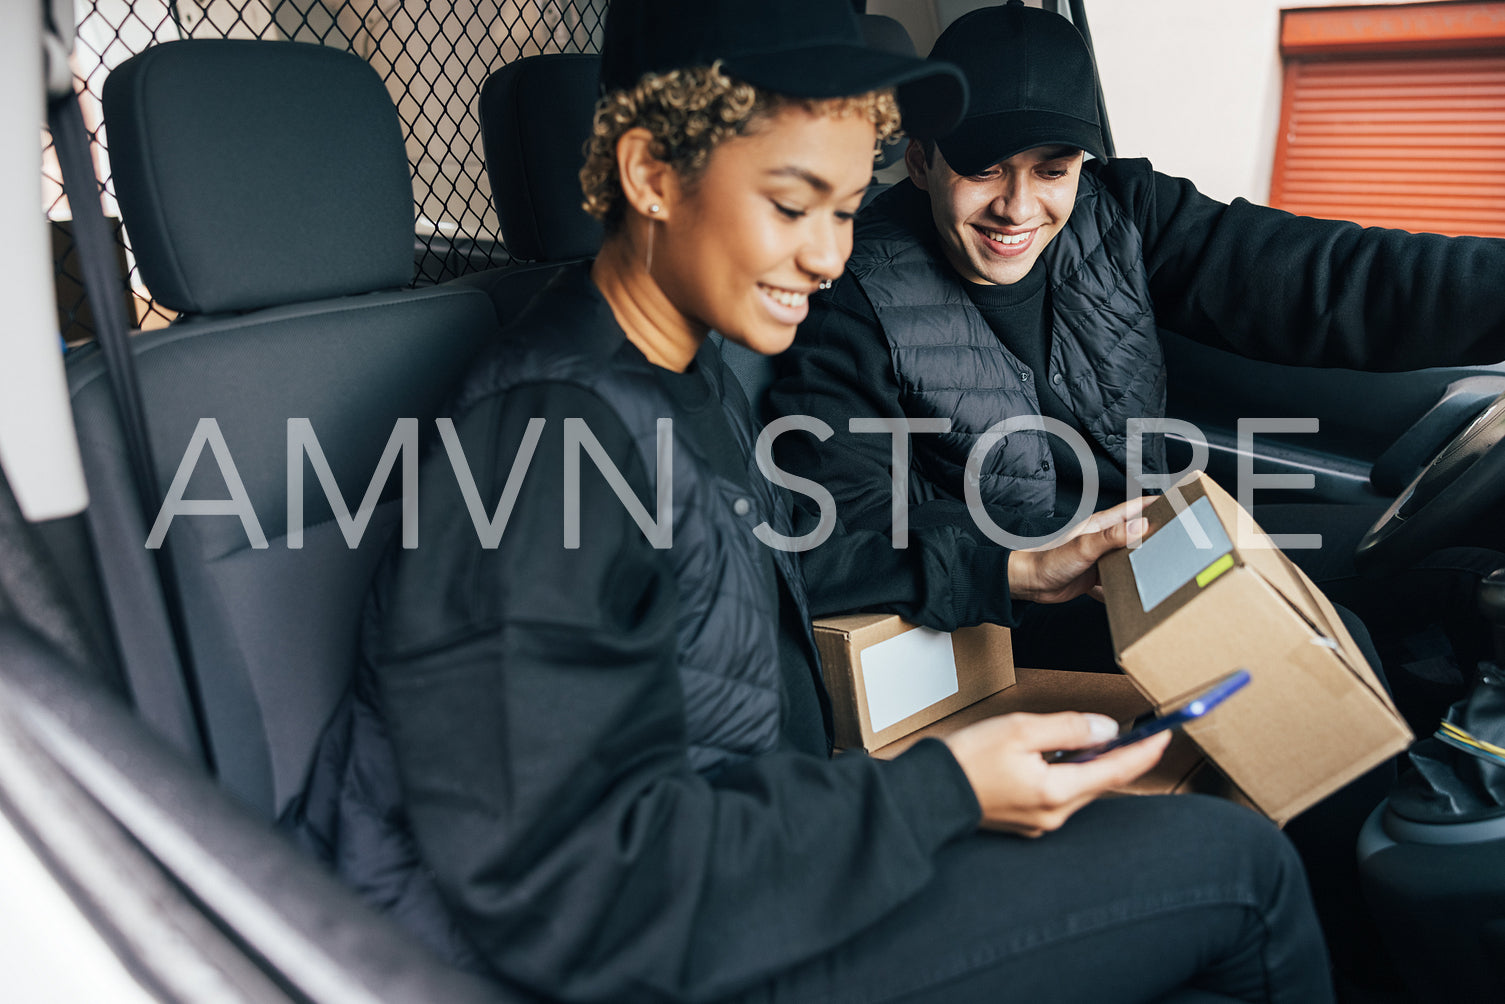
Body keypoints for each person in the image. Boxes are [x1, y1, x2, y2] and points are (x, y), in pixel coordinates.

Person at [294, 1, 1334, 1001]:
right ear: (651, 173)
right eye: (791, 206)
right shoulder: (551, 442)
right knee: (1243, 876)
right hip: (627, 949)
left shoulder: (676, 364)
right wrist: (945, 791)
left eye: (842, 209)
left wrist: (1007, 567)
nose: (831, 255)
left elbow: (776, 568)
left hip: (750, 860)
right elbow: (567, 888)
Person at [767, 1, 1505, 665]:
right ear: (923, 160)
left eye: (1051, 170)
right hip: (1020, 610)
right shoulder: (848, 288)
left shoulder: (1124, 213)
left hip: (1157, 532)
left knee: (1469, 571)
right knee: (1324, 646)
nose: (1017, 208)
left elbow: (1337, 280)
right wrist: (1013, 564)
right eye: (984, 170)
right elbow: (842, 518)